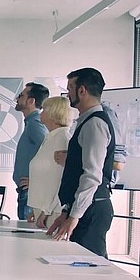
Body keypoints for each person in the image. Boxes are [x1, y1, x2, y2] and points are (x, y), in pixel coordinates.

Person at [48, 68, 116, 258]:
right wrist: (67, 211)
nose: (68, 93)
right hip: (84, 208)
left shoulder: (95, 124)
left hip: (92, 209)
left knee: (88, 267)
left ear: (82, 90)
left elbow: (92, 175)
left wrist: (74, 216)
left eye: (70, 88)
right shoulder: (86, 122)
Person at [26, 96, 72, 228]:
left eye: (44, 110)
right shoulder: (50, 137)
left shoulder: (62, 138)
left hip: (52, 211)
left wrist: (46, 211)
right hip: (42, 208)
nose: (41, 113)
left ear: (53, 113)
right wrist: (35, 208)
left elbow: (59, 180)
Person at [12, 82, 49, 221]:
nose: (17, 98)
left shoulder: (35, 124)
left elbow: (50, 153)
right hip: (27, 192)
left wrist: (37, 181)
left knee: (26, 231)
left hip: (30, 193)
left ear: (31, 101)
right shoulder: (31, 123)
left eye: (21, 96)